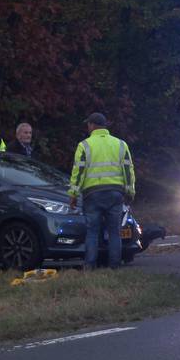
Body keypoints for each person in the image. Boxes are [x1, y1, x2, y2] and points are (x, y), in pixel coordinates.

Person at [68, 113, 135, 270]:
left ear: (92, 125)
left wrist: (73, 194)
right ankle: (114, 266)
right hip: (115, 193)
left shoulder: (84, 145)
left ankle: (90, 265)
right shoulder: (121, 145)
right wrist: (130, 191)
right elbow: (128, 171)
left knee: (92, 231)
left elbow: (78, 172)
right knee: (114, 232)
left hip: (92, 194)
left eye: (88, 124)